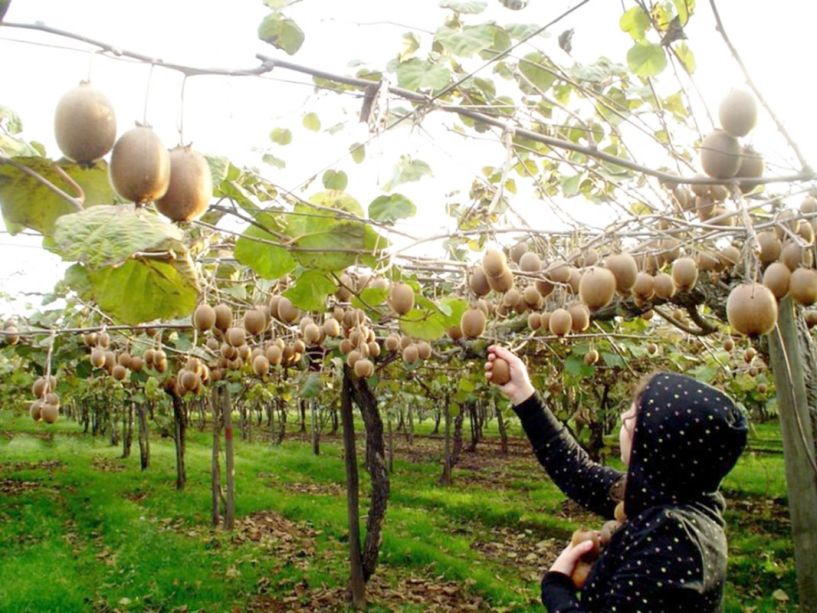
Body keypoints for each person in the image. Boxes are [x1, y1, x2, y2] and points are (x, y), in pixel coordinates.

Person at [485, 346, 748, 612]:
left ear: (657, 442)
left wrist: (556, 588)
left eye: (635, 416)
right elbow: (578, 472)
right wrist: (523, 394)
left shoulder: (671, 542)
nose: (623, 416)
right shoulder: (673, 495)